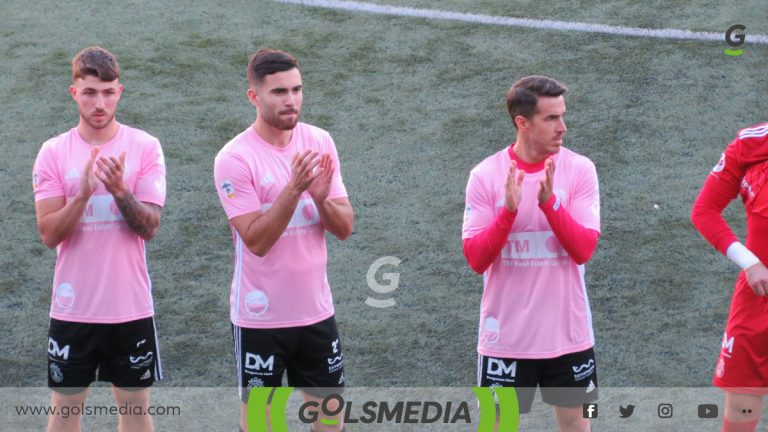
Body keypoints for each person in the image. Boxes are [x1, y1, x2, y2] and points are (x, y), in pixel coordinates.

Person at [213, 48, 353, 432]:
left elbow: (343, 228)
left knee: (331, 422)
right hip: (260, 318)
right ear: (254, 97)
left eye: (297, 89)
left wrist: (322, 198)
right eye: (279, 92)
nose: (291, 100)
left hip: (315, 312)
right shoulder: (235, 159)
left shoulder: (320, 141)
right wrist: (294, 190)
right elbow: (256, 240)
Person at [32, 46, 166, 432]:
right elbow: (49, 234)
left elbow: (150, 227)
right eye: (89, 92)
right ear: (74, 93)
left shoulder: (145, 147)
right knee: (65, 415)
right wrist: (84, 193)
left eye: (107, 92)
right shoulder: (53, 153)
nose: (99, 102)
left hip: (130, 308)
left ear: (119, 92)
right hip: (73, 311)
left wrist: (121, 191)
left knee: (137, 414)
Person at [462, 76, 600, 432]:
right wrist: (507, 213)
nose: (563, 127)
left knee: (579, 426)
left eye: (562, 116)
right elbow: (476, 260)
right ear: (522, 123)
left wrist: (549, 204)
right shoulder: (485, 175)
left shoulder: (580, 169)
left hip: (568, 335)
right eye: (551, 119)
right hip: (506, 339)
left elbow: (583, 249)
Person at [691, 122, 768, 432]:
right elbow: (704, 210)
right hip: (757, 299)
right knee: (739, 418)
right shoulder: (752, 143)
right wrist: (750, 263)